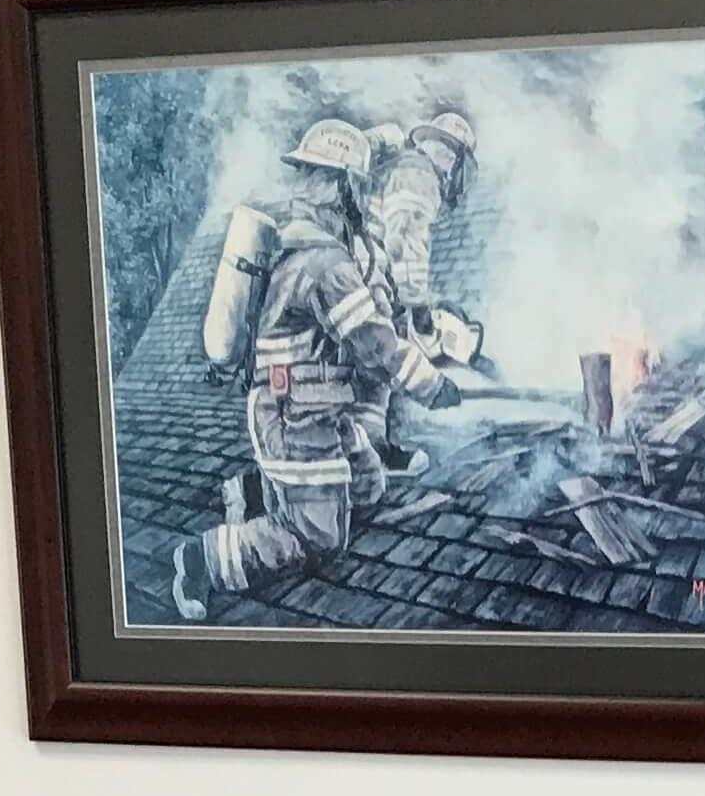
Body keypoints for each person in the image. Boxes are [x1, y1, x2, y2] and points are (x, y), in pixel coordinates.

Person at [168, 111, 482, 620]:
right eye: (360, 186)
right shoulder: (324, 264)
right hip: (293, 415)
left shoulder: (309, 242)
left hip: (315, 407)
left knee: (369, 489)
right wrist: (432, 383)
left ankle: (258, 488)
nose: (367, 197)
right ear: (342, 189)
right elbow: (374, 345)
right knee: (320, 539)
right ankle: (202, 559)